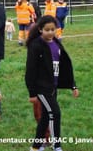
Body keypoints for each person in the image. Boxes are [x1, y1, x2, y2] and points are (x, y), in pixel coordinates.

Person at [25, 16, 79, 151]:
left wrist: (73, 85)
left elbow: (65, 65)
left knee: (45, 116)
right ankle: (57, 146)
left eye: (52, 29)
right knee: (55, 113)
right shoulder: (36, 45)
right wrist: (32, 93)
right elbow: (30, 70)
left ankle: (36, 146)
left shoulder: (56, 42)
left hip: (53, 86)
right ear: (40, 29)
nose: (50, 32)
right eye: (47, 30)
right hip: (41, 88)